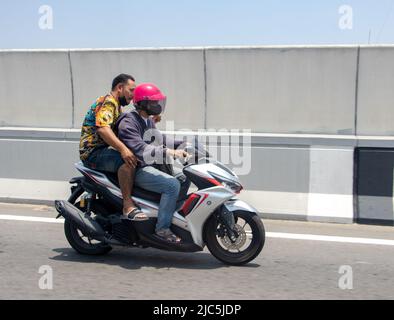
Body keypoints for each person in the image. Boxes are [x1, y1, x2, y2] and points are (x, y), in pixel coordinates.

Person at [115, 83, 190, 243]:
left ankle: (169, 215)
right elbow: (140, 149)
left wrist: (185, 144)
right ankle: (162, 229)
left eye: (158, 102)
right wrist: (169, 152)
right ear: (143, 104)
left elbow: (161, 139)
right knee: (172, 185)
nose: (157, 106)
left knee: (184, 177)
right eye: (154, 103)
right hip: (138, 168)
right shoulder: (129, 122)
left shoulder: (147, 121)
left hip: (151, 165)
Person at [79, 74, 148, 221]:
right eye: (131, 90)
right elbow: (103, 129)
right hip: (93, 152)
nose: (133, 95)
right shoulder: (108, 103)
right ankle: (127, 205)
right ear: (120, 87)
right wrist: (124, 150)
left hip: (104, 150)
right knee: (128, 161)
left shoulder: (116, 106)